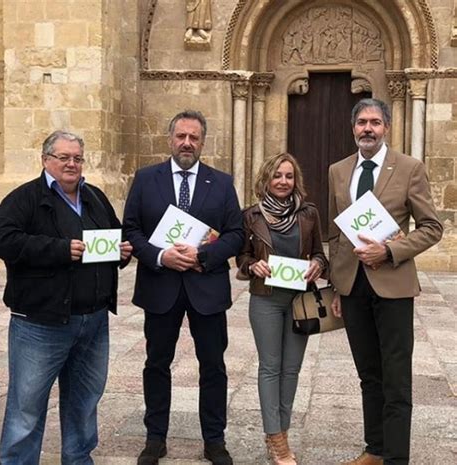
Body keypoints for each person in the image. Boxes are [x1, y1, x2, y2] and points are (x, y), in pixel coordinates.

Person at [0, 130, 133, 465]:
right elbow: (3, 240)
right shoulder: (24, 198)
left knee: (85, 401)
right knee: (27, 407)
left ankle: (78, 459)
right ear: (46, 160)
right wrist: (59, 249)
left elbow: (113, 235)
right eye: (63, 157)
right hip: (41, 324)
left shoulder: (94, 196)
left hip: (93, 321)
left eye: (77, 158)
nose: (72, 164)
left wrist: (121, 251)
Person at [123, 110, 243, 465]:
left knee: (213, 366)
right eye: (181, 136)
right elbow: (131, 230)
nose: (187, 143)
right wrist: (160, 257)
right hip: (160, 287)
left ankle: (214, 439)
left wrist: (202, 256)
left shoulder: (221, 183)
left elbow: (236, 234)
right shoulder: (146, 179)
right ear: (170, 139)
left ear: (203, 141)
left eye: (194, 137)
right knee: (157, 363)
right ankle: (155, 437)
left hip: (206, 288)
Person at [328, 98, 443, 465]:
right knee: (368, 374)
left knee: (396, 378)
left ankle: (396, 458)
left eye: (375, 122)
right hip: (352, 287)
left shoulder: (409, 168)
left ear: (386, 127)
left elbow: (431, 228)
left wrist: (391, 252)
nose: (368, 129)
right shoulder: (338, 170)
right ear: (353, 128)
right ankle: (374, 449)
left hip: (392, 285)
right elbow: (335, 234)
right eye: (362, 122)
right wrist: (335, 284)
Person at [236, 153, 328, 465]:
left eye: (289, 176)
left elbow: (319, 253)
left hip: (299, 301)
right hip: (266, 299)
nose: (283, 182)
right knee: (270, 367)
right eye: (277, 175)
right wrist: (254, 266)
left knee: (292, 369)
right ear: (266, 179)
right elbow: (242, 258)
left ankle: (281, 433)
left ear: (295, 180)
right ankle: (276, 440)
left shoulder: (309, 213)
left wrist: (317, 264)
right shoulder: (251, 215)